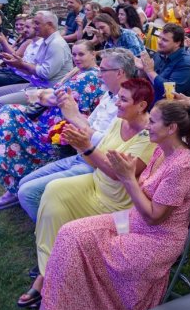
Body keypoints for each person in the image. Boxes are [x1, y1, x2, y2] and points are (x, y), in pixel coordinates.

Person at [38, 100, 190, 310]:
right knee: (69, 234)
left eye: (153, 121)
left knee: (82, 247)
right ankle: (60, 307)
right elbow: (143, 193)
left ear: (171, 128)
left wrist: (128, 177)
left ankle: (73, 308)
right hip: (132, 221)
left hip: (156, 240)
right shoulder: (161, 150)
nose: (147, 126)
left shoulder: (182, 166)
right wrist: (126, 174)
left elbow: (154, 218)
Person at [17, 78, 157, 309]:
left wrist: (86, 147)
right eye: (117, 97)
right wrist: (79, 141)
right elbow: (98, 151)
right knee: (53, 191)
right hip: (95, 183)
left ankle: (51, 278)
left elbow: (117, 173)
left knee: (61, 208)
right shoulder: (118, 121)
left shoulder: (148, 136)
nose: (117, 103)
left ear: (141, 105)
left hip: (117, 202)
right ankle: (50, 270)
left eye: (123, 99)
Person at [16, 49, 136, 220]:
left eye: (103, 70)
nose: (99, 75)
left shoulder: (129, 102)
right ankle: (54, 223)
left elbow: (111, 144)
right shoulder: (107, 95)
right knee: (23, 184)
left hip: (96, 164)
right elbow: (89, 124)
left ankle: (56, 238)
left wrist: (74, 118)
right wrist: (72, 110)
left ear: (120, 73)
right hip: (81, 156)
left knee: (27, 193)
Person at [0, 41, 105, 209]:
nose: (76, 58)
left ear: (93, 54)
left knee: (7, 113)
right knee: (8, 112)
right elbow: (51, 93)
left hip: (58, 127)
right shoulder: (78, 71)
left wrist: (38, 94)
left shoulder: (90, 76)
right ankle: (14, 183)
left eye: (81, 54)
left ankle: (14, 185)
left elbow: (55, 97)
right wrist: (42, 94)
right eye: (74, 54)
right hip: (47, 117)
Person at [0, 11, 73, 109]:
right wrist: (15, 63)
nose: (34, 26)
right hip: (33, 85)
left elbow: (45, 74)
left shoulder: (56, 44)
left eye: (37, 23)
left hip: (46, 92)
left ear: (49, 25)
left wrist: (21, 64)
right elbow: (31, 70)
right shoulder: (45, 42)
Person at [135, 23, 190, 101]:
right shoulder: (161, 53)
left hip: (175, 109)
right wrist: (143, 70)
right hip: (154, 102)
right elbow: (147, 81)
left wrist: (150, 72)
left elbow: (169, 93)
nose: (159, 42)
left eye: (165, 40)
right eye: (160, 38)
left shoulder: (187, 64)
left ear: (177, 43)